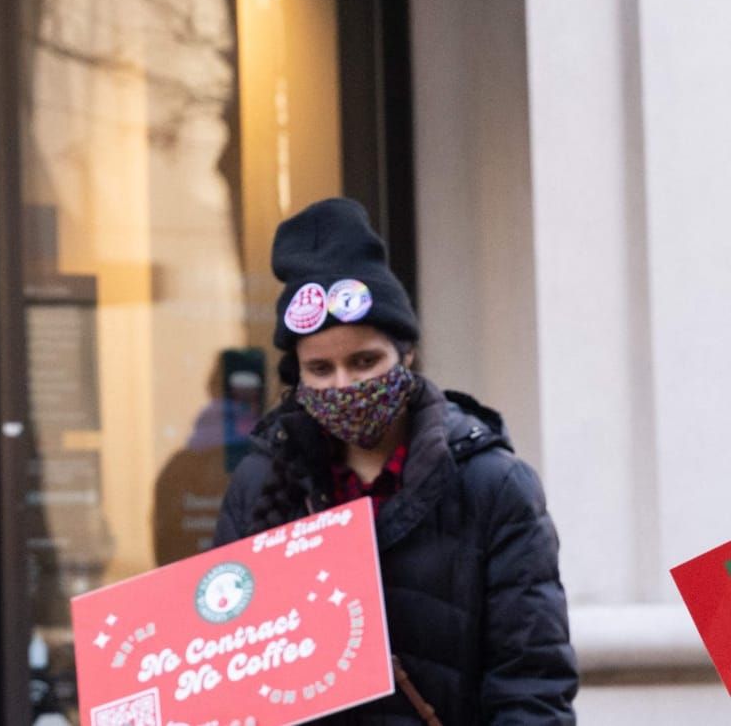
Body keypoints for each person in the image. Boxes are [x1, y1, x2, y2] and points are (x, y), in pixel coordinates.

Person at [214, 198, 575, 724]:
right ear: (298, 378)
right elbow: (225, 673)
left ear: (406, 355)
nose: (345, 384)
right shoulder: (257, 485)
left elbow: (532, 683)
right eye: (321, 368)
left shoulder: (494, 486)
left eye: (365, 361)